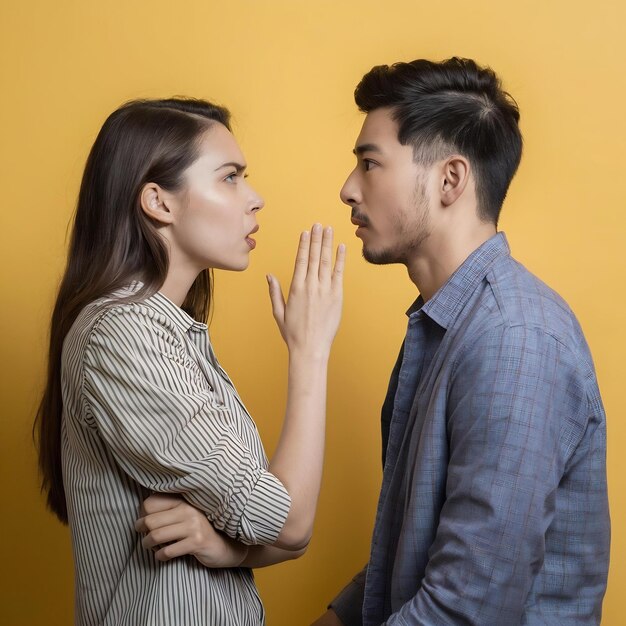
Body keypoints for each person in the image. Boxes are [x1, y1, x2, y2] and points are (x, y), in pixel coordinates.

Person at [311, 58, 610, 625]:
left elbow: (467, 607)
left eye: (370, 164)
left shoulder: (513, 339)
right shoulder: (445, 323)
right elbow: (413, 557)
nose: (348, 189)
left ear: (450, 179)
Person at [34, 97, 345, 625]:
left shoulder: (171, 337)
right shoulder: (121, 338)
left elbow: (281, 529)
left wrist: (227, 548)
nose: (255, 198)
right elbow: (288, 522)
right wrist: (310, 354)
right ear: (158, 202)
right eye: (230, 178)